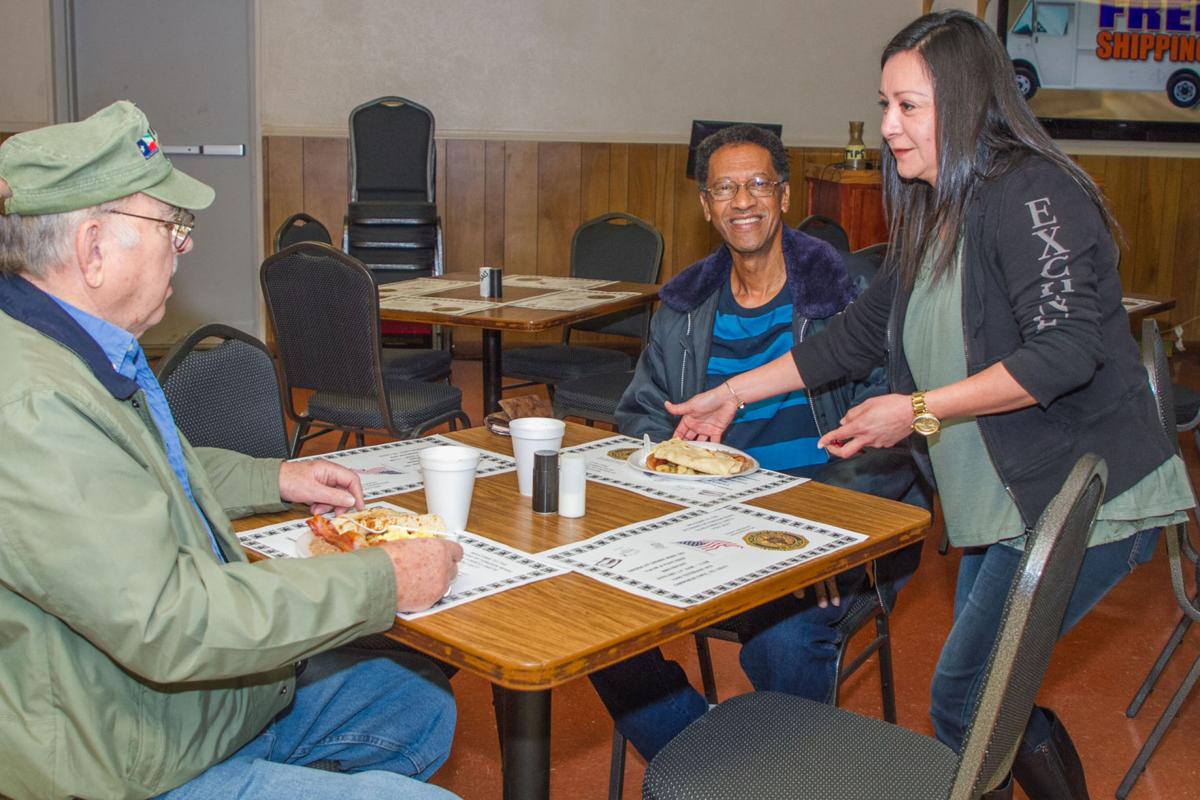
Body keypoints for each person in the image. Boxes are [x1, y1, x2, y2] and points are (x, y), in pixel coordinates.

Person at [668, 12, 1194, 800]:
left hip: (1087, 502)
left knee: (966, 698)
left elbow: (1063, 351)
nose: (888, 127)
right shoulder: (938, 208)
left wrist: (913, 411)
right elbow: (853, 338)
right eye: (885, 105)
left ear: (966, 99)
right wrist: (730, 395)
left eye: (907, 106)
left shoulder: (1034, 190)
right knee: (985, 699)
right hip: (1009, 504)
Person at [0, 101, 464, 799]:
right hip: (125, 761)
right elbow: (174, 620)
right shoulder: (33, 406)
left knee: (416, 707)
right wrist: (384, 581)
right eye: (168, 225)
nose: (182, 245)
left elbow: (157, 470)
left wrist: (279, 475)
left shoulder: (75, 347)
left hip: (166, 708)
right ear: (93, 247)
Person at [589, 124, 928, 761]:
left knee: (785, 640)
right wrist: (660, 469)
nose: (742, 201)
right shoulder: (684, 309)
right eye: (724, 189)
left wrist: (819, 540)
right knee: (590, 618)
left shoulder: (847, 300)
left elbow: (893, 444)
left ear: (786, 195)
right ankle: (710, 759)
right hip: (703, 532)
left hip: (823, 532)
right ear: (706, 206)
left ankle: (785, 774)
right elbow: (642, 419)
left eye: (757, 185)